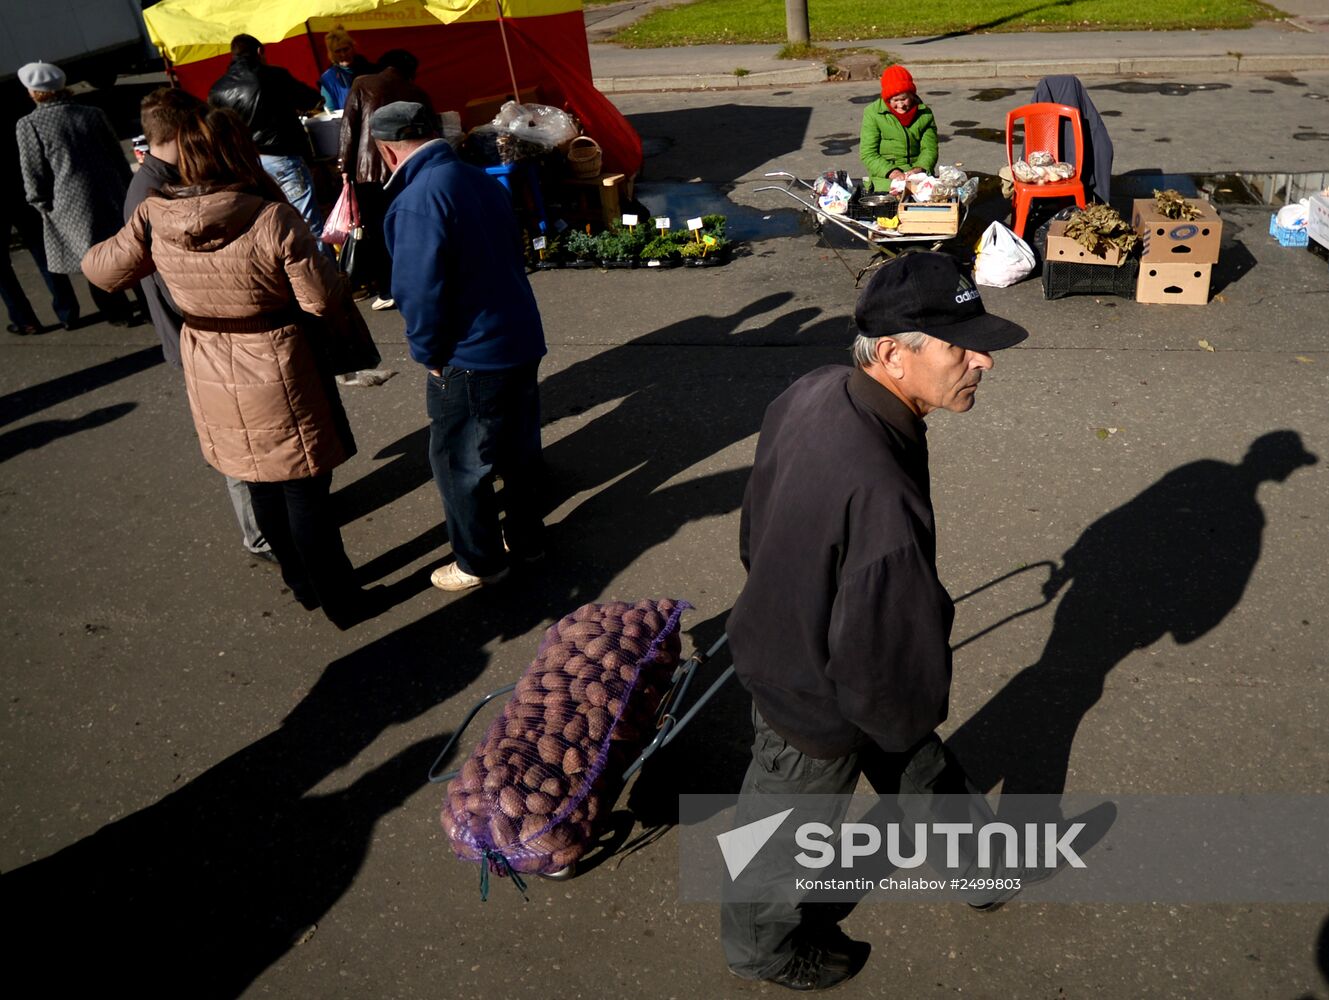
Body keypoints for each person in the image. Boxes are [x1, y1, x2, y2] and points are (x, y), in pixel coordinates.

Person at [720, 253, 1028, 991]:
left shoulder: (815, 390)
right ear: (893, 353)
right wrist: (901, 709)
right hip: (813, 687)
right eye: (960, 346)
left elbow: (751, 525)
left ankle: (973, 865)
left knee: (910, 752)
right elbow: (888, 644)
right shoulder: (878, 487)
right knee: (784, 822)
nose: (982, 360)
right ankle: (759, 949)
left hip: (812, 640)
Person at [83, 107, 377, 630]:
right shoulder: (270, 217)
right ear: (239, 150)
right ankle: (342, 601)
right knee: (302, 484)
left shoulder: (155, 214)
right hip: (275, 355)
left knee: (257, 478)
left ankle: (303, 586)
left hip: (208, 356)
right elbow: (319, 300)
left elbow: (101, 271)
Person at [374, 101, 546, 593]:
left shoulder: (417, 198)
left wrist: (429, 355)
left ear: (388, 150)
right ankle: (528, 540)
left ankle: (479, 560)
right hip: (517, 333)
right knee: (518, 451)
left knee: (460, 462)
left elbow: (419, 291)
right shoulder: (477, 178)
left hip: (470, 351)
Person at [126, 86, 276, 565]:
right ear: (180, 129)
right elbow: (173, 282)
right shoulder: (151, 193)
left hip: (202, 332)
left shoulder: (162, 179)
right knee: (234, 438)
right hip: (198, 334)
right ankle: (260, 533)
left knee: (246, 431)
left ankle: (274, 517)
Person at [15, 61, 138, 326]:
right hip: (111, 195)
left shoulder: (29, 125)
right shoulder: (91, 113)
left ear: (35, 92)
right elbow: (116, 155)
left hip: (70, 204)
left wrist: (40, 203)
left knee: (93, 260)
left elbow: (33, 170)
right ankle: (148, 303)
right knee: (124, 250)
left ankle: (119, 314)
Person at [208, 34, 330, 250]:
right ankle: (325, 281)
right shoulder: (273, 76)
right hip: (283, 159)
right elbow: (312, 100)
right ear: (259, 52)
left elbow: (218, 132)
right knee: (309, 226)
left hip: (248, 166)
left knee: (275, 231)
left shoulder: (217, 89)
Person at [337, 49, 435, 310]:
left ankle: (388, 289)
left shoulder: (362, 84)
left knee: (377, 231)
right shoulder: (416, 92)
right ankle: (418, 282)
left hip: (368, 171)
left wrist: (344, 166)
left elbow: (349, 127)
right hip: (407, 170)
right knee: (408, 226)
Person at [859, 64, 938, 194]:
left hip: (918, 176)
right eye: (895, 100)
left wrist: (920, 168)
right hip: (885, 177)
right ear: (887, 99)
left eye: (904, 99)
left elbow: (930, 149)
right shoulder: (872, 113)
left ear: (912, 95)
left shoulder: (925, 114)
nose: (900, 105)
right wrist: (893, 172)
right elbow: (868, 154)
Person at [319, 25, 375, 112]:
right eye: (338, 51)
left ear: (353, 47)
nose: (343, 54)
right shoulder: (328, 79)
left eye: (346, 49)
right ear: (331, 53)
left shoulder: (370, 69)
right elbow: (329, 111)